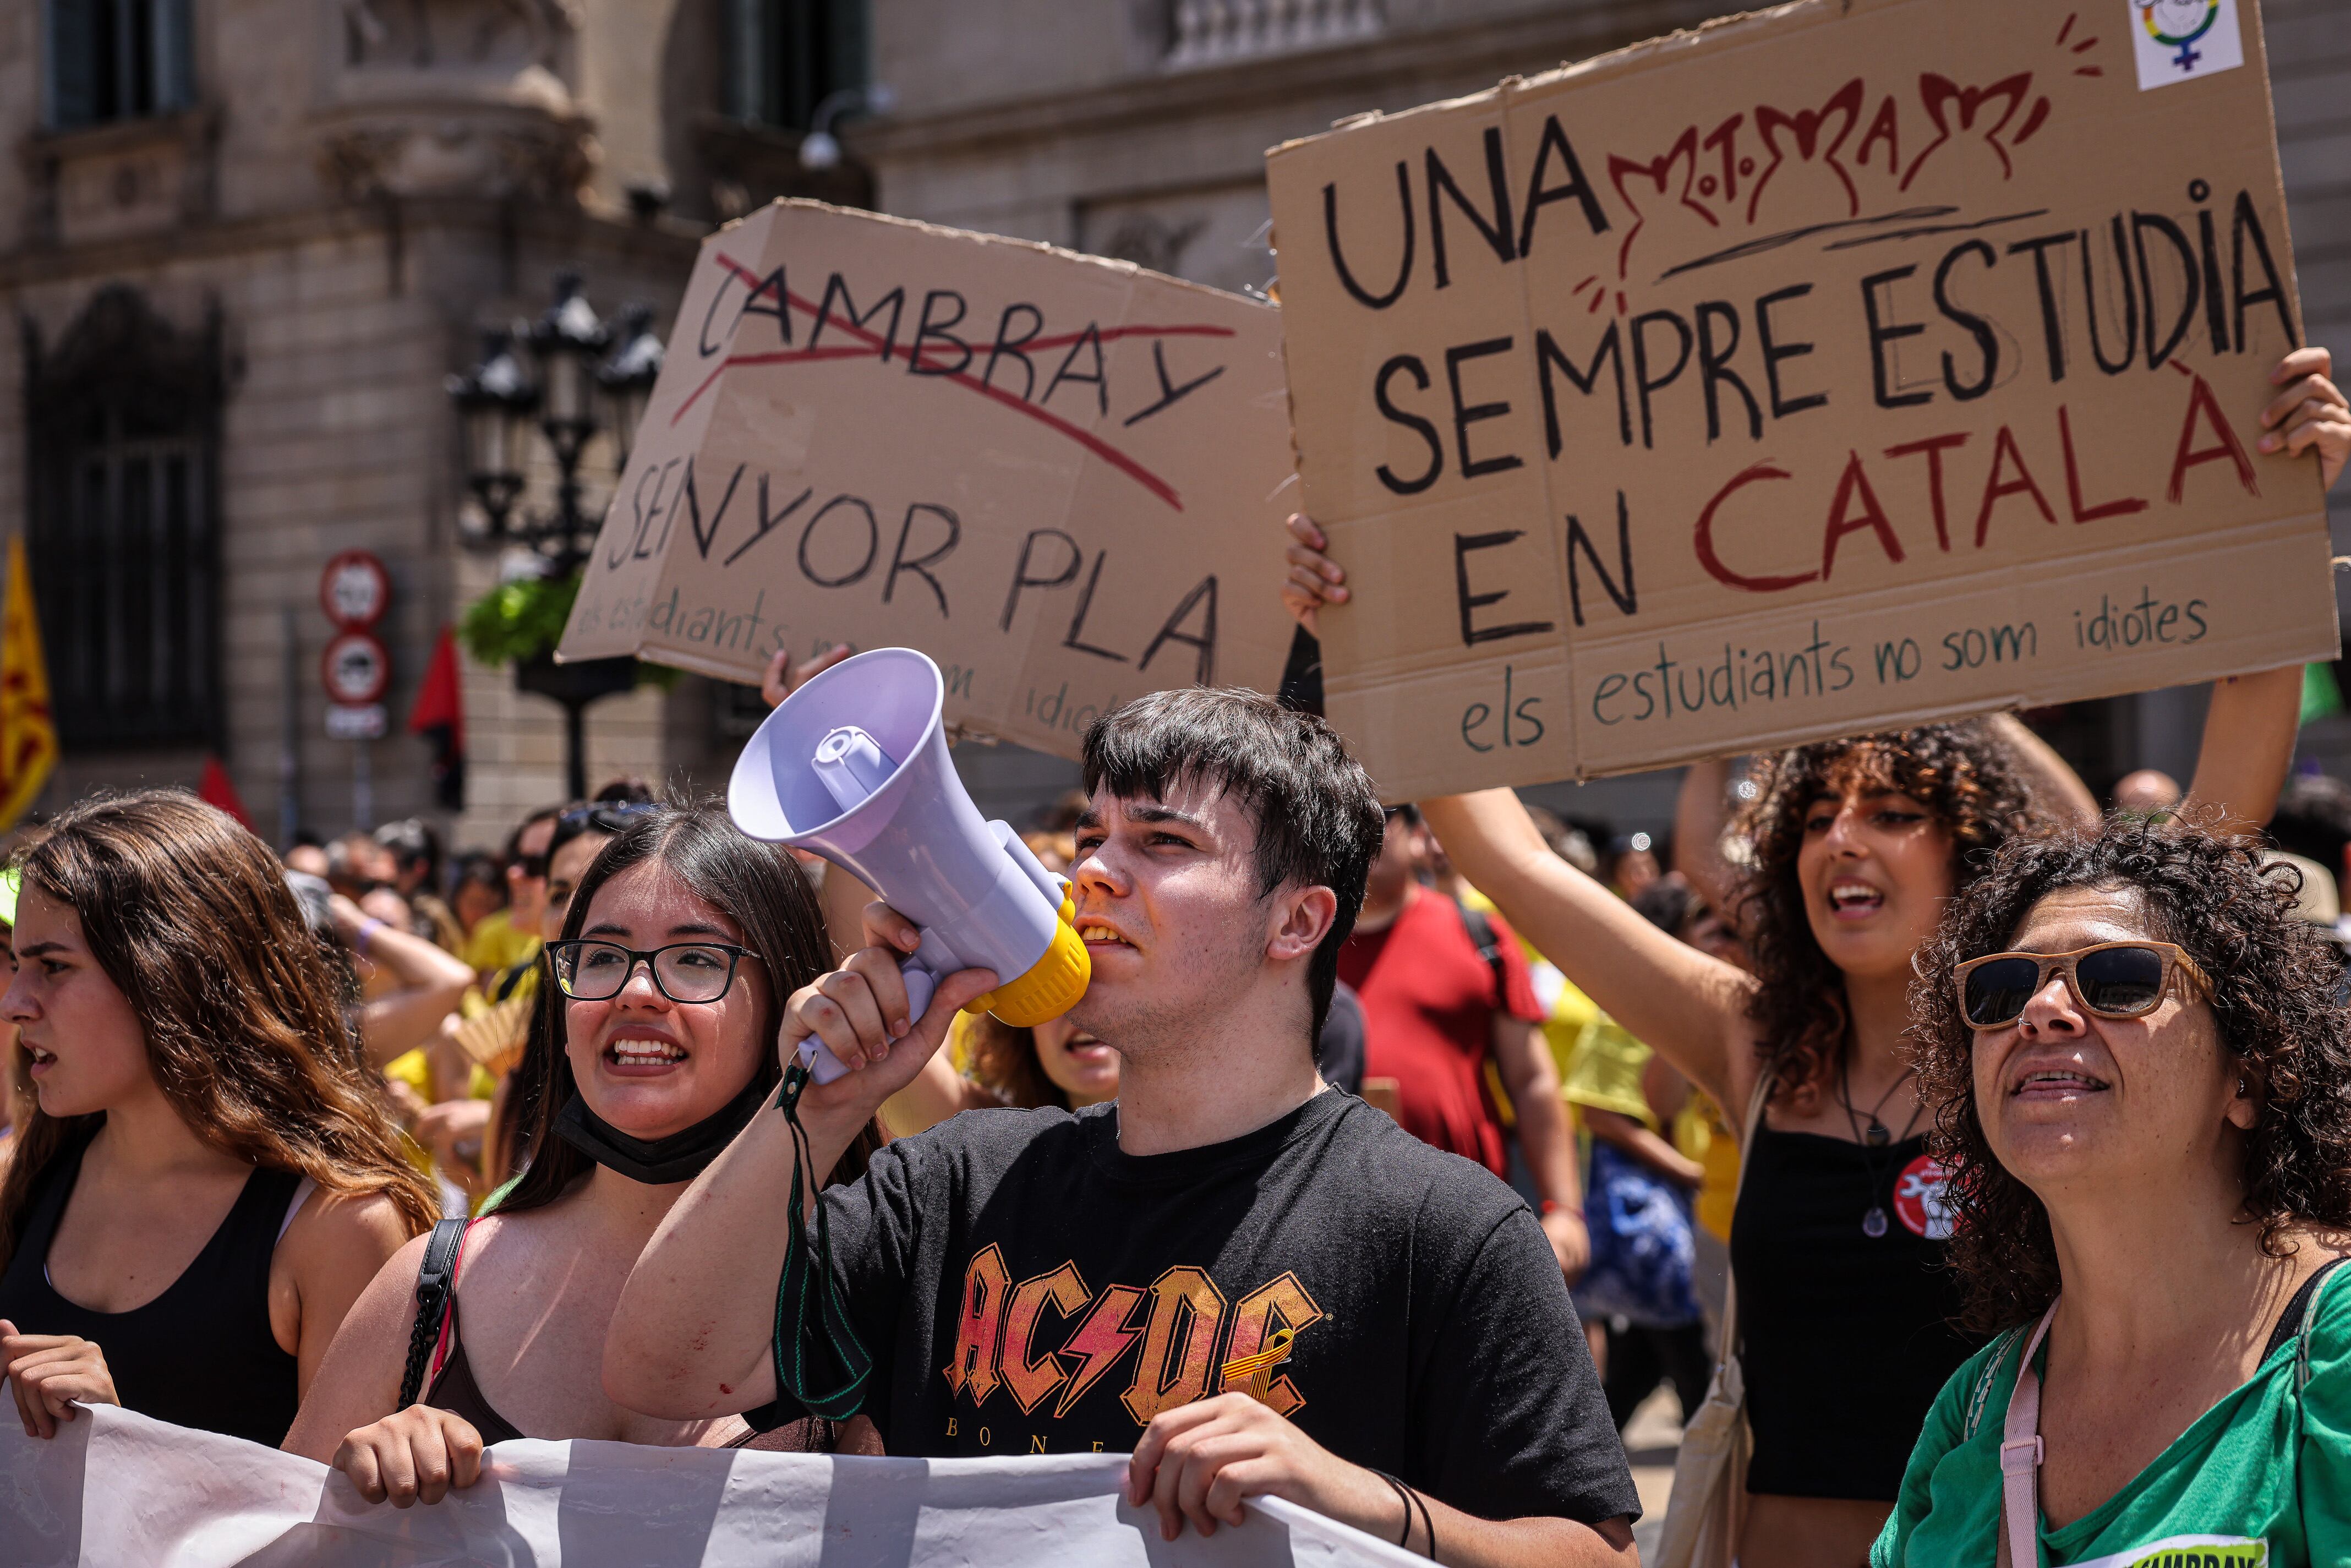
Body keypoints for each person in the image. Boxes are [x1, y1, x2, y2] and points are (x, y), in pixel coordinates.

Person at [1276, 346, 2343, 1568]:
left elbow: (2210, 846)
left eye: (1894, 813)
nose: (1844, 835)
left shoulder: (2067, 1048)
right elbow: (1517, 865)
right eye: (1817, 812)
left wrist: (2275, 514)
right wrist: (1374, 629)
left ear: (1975, 859)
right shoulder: (1754, 1039)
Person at [608, 689, 1639, 1565]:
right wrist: (822, 1104)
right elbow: (659, 1372)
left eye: (1161, 842)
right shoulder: (960, 1181)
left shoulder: (1441, 1225)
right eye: (1095, 837)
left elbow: (1596, 1552)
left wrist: (1361, 1499)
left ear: (1298, 920)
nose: (1094, 870)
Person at [286, 804, 890, 1503]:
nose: (635, 991)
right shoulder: (434, 1282)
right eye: (602, 956)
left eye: (696, 958)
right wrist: (354, 1477)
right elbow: (271, 1537)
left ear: (785, 991)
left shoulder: (872, 1289)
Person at [1876, 819, 2351, 1565]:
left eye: (2119, 977)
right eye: (2003, 990)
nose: (2041, 1011)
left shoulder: (2335, 1356)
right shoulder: (1972, 1413)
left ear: (2249, 1075)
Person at [0, 791, 436, 1446]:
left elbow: (345, 1530)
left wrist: (129, 1442)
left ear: (170, 972)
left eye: (53, 966)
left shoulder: (335, 1226)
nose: (15, 1002)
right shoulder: (24, 1173)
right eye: (14, 963)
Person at [1341, 802, 1588, 1282]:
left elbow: (1533, 1081)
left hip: (1468, 1218)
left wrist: (1564, 1209)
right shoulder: (1295, 940)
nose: (1361, 829)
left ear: (1416, 836)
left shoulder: (1479, 934)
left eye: (1380, 814)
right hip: (1333, 1220)